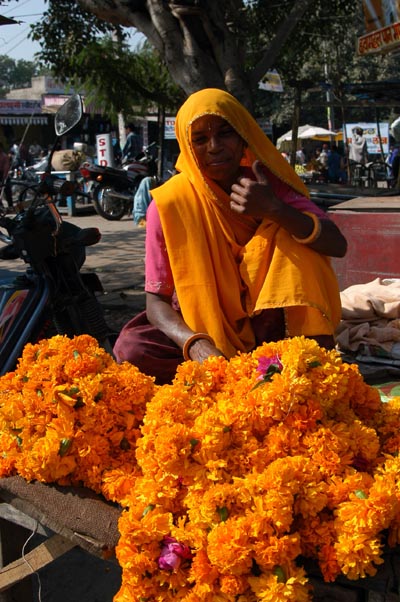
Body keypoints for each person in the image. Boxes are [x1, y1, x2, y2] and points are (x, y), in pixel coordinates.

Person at [113, 88, 347, 384]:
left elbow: (337, 245)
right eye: (200, 139)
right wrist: (195, 344)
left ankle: (299, 369)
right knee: (133, 348)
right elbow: (155, 303)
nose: (214, 147)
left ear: (242, 137)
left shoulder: (268, 185)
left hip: (269, 322)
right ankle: (255, 373)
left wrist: (275, 209)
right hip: (201, 324)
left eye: (225, 133)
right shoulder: (170, 203)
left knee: (295, 237)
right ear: (187, 146)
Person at [0, 143, 13, 212]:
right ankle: (1, 207)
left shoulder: (4, 156)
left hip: (4, 175)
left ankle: (10, 206)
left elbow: (6, 167)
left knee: (7, 191)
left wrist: (4, 177)